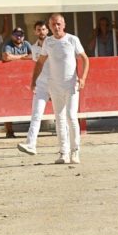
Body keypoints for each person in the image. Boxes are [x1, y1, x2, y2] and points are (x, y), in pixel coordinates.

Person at [32, 14, 90, 165]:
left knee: (71, 116)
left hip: (71, 83)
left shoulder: (72, 39)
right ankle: (63, 152)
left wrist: (82, 78)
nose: (56, 27)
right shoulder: (48, 42)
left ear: (63, 24)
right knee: (59, 118)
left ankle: (75, 151)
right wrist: (33, 81)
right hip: (54, 84)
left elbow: (85, 58)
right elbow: (40, 62)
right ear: (50, 26)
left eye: (58, 24)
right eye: (53, 25)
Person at [17, 20, 61, 156]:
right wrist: (34, 82)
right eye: (38, 30)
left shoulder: (55, 43)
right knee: (36, 115)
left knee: (61, 116)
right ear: (35, 32)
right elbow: (36, 64)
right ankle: (31, 144)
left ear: (47, 31)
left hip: (56, 83)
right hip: (41, 84)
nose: (41, 32)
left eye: (43, 29)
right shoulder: (34, 47)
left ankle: (65, 146)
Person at [1, 26, 33, 138]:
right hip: (9, 77)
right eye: (16, 34)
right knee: (8, 103)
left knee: (30, 102)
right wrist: (24, 56)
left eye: (21, 35)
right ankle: (9, 130)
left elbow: (33, 56)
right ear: (12, 35)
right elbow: (6, 57)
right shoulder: (8, 44)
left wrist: (16, 58)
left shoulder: (27, 44)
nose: (19, 37)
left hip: (26, 78)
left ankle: (32, 130)